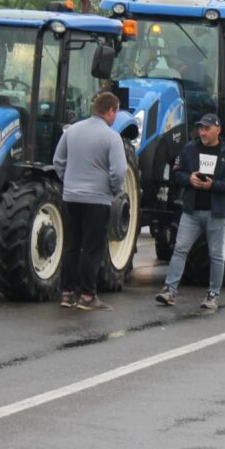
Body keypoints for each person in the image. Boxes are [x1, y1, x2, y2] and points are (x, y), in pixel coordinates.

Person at [156, 114, 225, 311]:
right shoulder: (189, 148)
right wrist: (190, 179)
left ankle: (213, 294)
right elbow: (176, 172)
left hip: (216, 213)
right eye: (201, 128)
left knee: (215, 254)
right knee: (180, 249)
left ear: (217, 130)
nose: (202, 132)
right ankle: (169, 290)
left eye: (206, 128)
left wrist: (214, 185)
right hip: (191, 211)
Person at [54, 92, 128, 311]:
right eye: (116, 111)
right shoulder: (112, 137)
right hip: (97, 200)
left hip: (71, 197)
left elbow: (58, 161)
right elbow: (119, 171)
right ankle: (87, 296)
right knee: (92, 249)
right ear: (111, 111)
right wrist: (114, 191)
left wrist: (68, 182)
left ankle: (67, 294)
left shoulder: (72, 131)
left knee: (71, 246)